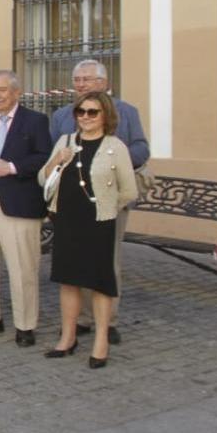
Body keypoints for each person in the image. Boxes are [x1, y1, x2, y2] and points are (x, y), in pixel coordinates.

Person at [49, 59, 149, 345]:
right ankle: (78, 321)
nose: (81, 85)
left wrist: (116, 161)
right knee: (72, 265)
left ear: (104, 82)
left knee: (106, 262)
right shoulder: (62, 116)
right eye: (77, 79)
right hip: (71, 206)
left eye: (87, 79)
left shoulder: (127, 112)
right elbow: (54, 157)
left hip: (108, 202)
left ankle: (107, 322)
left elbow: (142, 147)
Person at [40, 91, 137, 368]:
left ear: (105, 115)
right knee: (68, 279)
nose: (85, 117)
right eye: (81, 112)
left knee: (99, 283)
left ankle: (101, 341)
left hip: (98, 223)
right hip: (66, 219)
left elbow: (128, 191)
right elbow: (43, 177)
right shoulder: (65, 141)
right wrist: (58, 159)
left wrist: (105, 210)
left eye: (92, 112)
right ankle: (68, 338)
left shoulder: (115, 146)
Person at [0, 71, 52, 347]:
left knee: (22, 268)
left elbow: (44, 158)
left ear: (16, 92)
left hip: (19, 206)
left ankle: (25, 326)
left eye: (2, 90)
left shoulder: (36, 121)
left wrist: (13, 167)